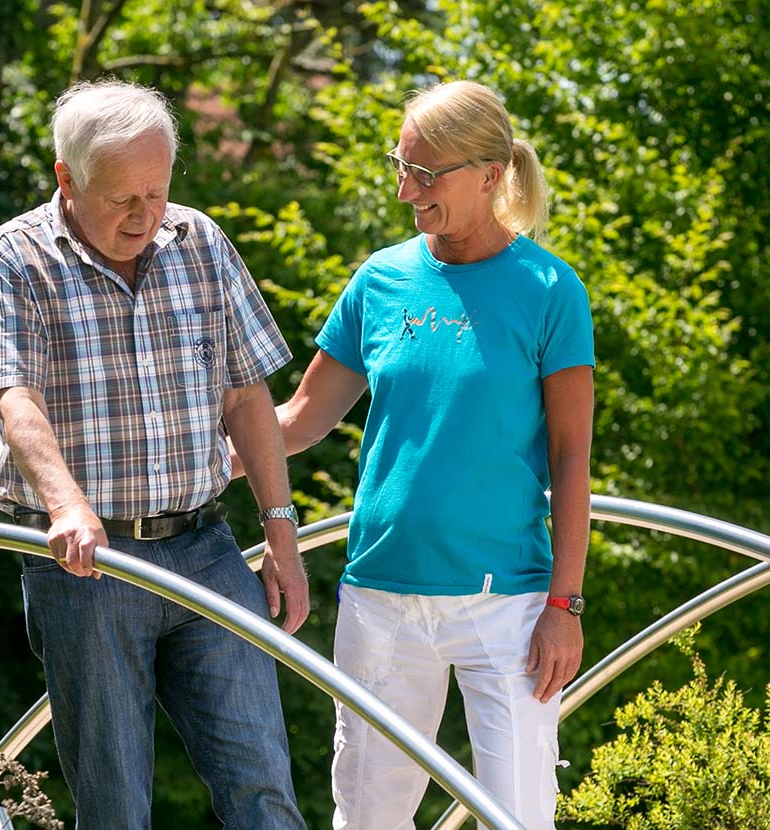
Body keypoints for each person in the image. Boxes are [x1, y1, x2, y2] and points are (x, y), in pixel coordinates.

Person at [241, 79, 594, 829]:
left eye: (427, 174)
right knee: (367, 819)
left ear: (491, 175)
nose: (407, 190)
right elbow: (300, 420)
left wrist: (566, 604)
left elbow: (571, 460)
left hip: (512, 609)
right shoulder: (381, 280)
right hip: (381, 602)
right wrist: (185, 453)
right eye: (400, 166)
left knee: (520, 819)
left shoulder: (550, 290)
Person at [0, 79, 310, 830]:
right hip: (88, 570)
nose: (143, 217)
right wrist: (66, 504)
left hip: (207, 549)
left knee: (264, 787)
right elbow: (12, 395)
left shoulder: (199, 242)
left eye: (156, 193)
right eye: (122, 198)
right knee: (117, 809)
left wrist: (281, 534)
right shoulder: (14, 258)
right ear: (66, 177)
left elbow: (247, 395)